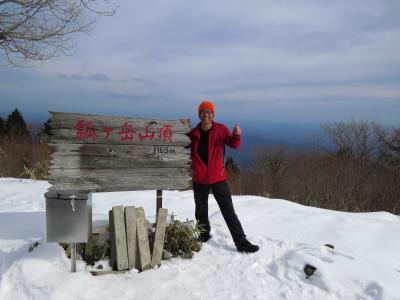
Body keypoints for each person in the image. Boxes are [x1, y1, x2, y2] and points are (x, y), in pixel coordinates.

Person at [187, 100, 259, 253]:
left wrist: (236, 134)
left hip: (218, 177)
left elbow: (234, 145)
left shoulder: (221, 129)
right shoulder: (193, 133)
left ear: (213, 115)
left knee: (228, 211)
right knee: (200, 210)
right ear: (199, 115)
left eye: (209, 112)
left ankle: (241, 242)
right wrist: (181, 126)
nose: (206, 114)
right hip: (200, 178)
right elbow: (181, 142)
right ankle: (203, 234)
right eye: (203, 112)